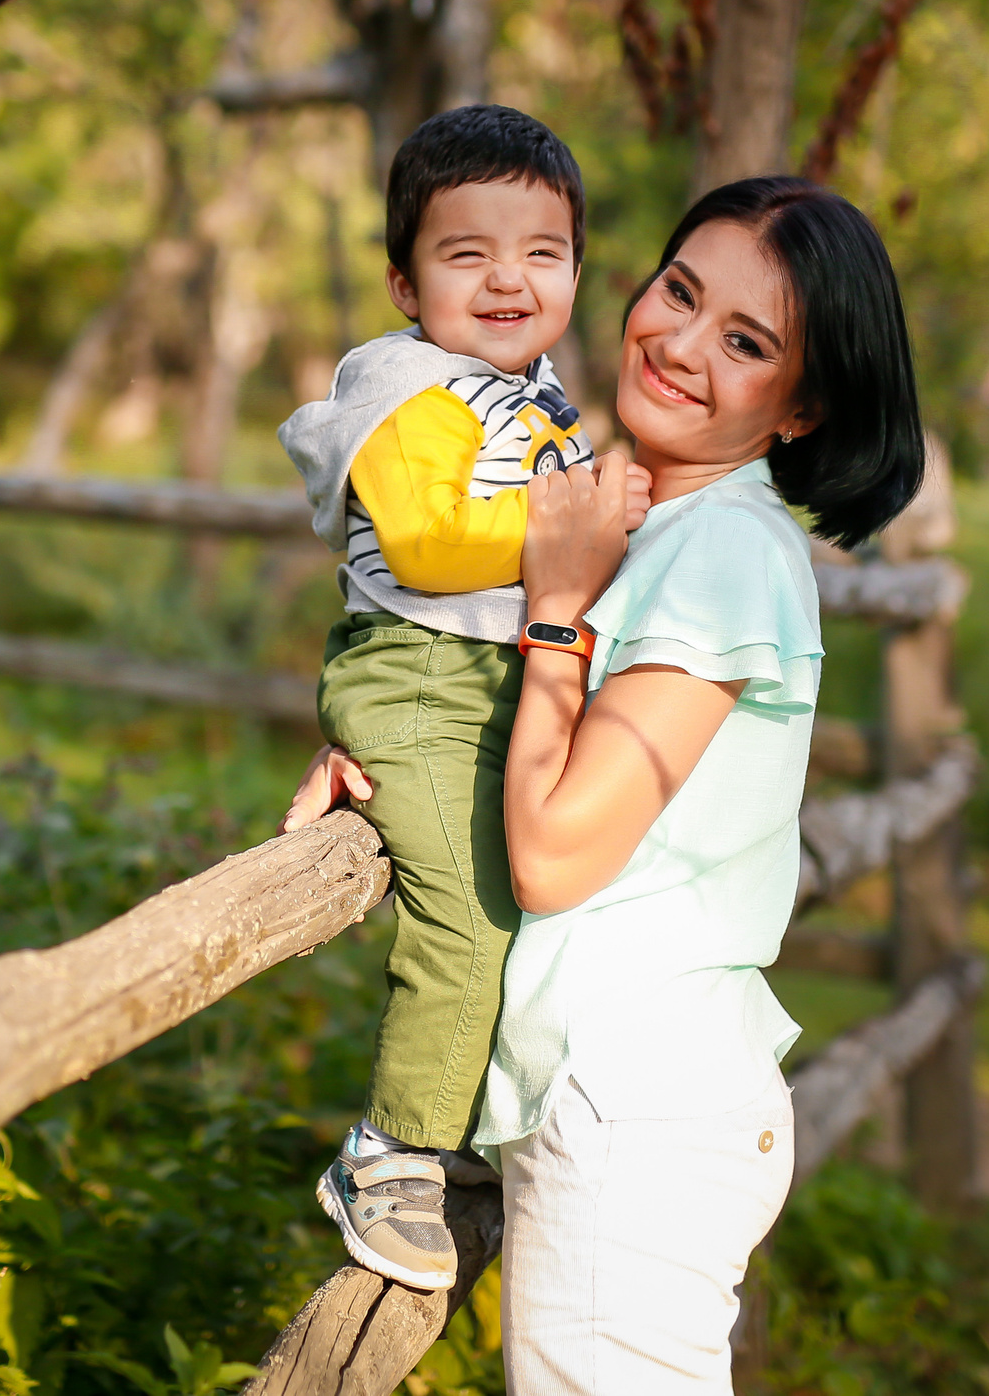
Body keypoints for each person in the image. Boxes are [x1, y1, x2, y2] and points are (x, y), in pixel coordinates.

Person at [290, 177, 926, 1390]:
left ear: (802, 408)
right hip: (610, 1094)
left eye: (745, 343)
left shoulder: (726, 551)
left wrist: (556, 609)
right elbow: (523, 729)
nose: (681, 345)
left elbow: (553, 853)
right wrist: (400, 751)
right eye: (678, 292)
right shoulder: (650, 522)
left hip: (637, 1118)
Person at [275, 104, 650, 1291]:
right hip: (421, 684)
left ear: (577, 272)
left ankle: (475, 1128)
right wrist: (576, 529)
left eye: (541, 253)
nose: (507, 279)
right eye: (465, 253)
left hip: (505, 684)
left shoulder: (534, 394)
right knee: (468, 917)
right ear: (403, 281)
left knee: (540, 898)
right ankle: (391, 1150)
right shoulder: (398, 384)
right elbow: (434, 548)